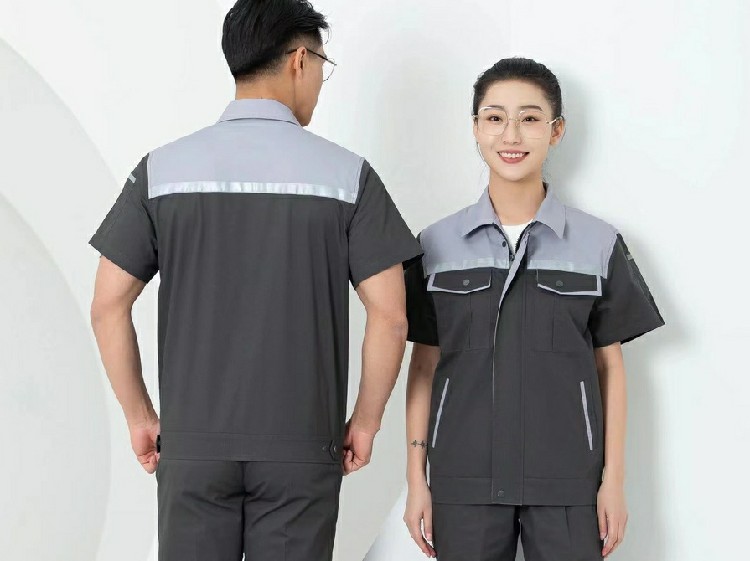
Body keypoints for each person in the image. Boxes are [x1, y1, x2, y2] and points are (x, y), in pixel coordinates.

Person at [88, 1, 422, 559]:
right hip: (301, 448)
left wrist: (140, 415)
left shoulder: (162, 171)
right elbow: (390, 315)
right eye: (322, 66)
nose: (319, 83)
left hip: (193, 448)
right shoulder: (347, 177)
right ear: (299, 59)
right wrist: (365, 422)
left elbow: (106, 306)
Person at [402, 57, 664, 561]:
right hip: (464, 480)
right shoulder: (435, 245)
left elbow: (610, 367)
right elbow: (424, 368)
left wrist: (613, 481)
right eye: (495, 118)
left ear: (556, 130)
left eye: (529, 118)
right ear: (476, 128)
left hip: (568, 481)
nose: (511, 135)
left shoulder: (598, 243)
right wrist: (417, 478)